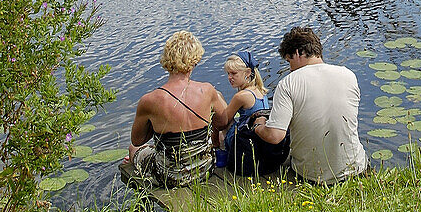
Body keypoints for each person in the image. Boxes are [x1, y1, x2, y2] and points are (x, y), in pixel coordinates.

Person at [251, 27, 368, 183]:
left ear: (299, 53)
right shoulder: (348, 75)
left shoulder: (288, 83)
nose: (290, 68)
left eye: (289, 61)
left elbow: (274, 136)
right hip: (354, 170)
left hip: (311, 175)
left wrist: (257, 126)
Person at [125, 31, 226, 187]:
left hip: (169, 176)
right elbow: (223, 122)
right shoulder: (207, 91)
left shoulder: (149, 100)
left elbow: (137, 140)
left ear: (167, 59)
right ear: (195, 61)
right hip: (205, 170)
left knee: (133, 149)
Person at [213, 51, 289, 176]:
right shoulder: (260, 90)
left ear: (247, 73)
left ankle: (217, 145)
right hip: (258, 138)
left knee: (216, 96)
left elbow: (223, 123)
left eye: (233, 73)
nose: (229, 77)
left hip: (245, 139)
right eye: (228, 73)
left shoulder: (241, 96)